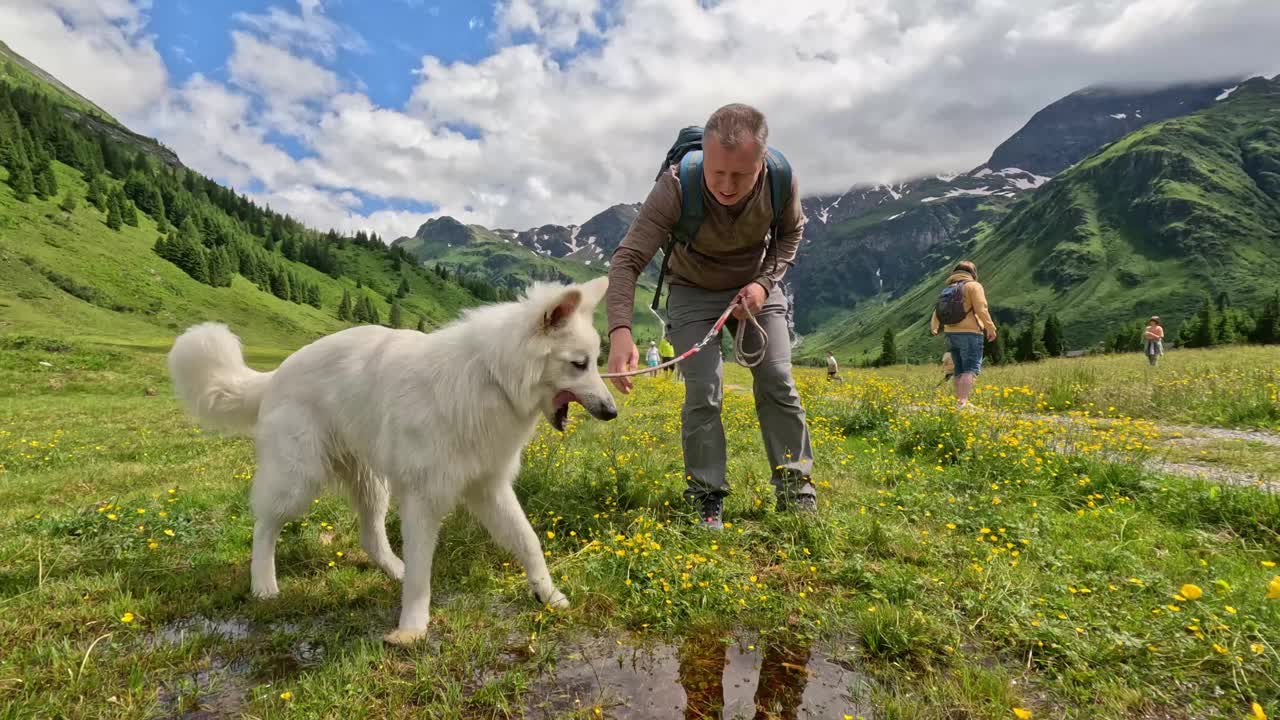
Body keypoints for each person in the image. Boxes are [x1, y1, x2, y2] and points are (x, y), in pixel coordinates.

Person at [605, 102, 816, 530]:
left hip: (756, 287)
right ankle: (706, 496)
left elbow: (792, 232)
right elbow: (626, 259)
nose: (725, 185)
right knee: (704, 390)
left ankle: (797, 491)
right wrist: (620, 331)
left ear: (761, 161)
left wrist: (763, 284)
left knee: (777, 379)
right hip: (693, 290)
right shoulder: (678, 185)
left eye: (740, 175)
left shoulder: (781, 179)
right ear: (705, 153)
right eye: (716, 172)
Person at [929, 260, 997, 409]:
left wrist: (934, 327)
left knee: (958, 369)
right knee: (970, 368)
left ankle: (960, 401)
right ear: (973, 273)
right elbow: (981, 309)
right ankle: (963, 402)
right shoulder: (974, 286)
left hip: (950, 333)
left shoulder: (948, 289)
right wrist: (990, 328)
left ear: (955, 272)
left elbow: (937, 310)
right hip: (970, 333)